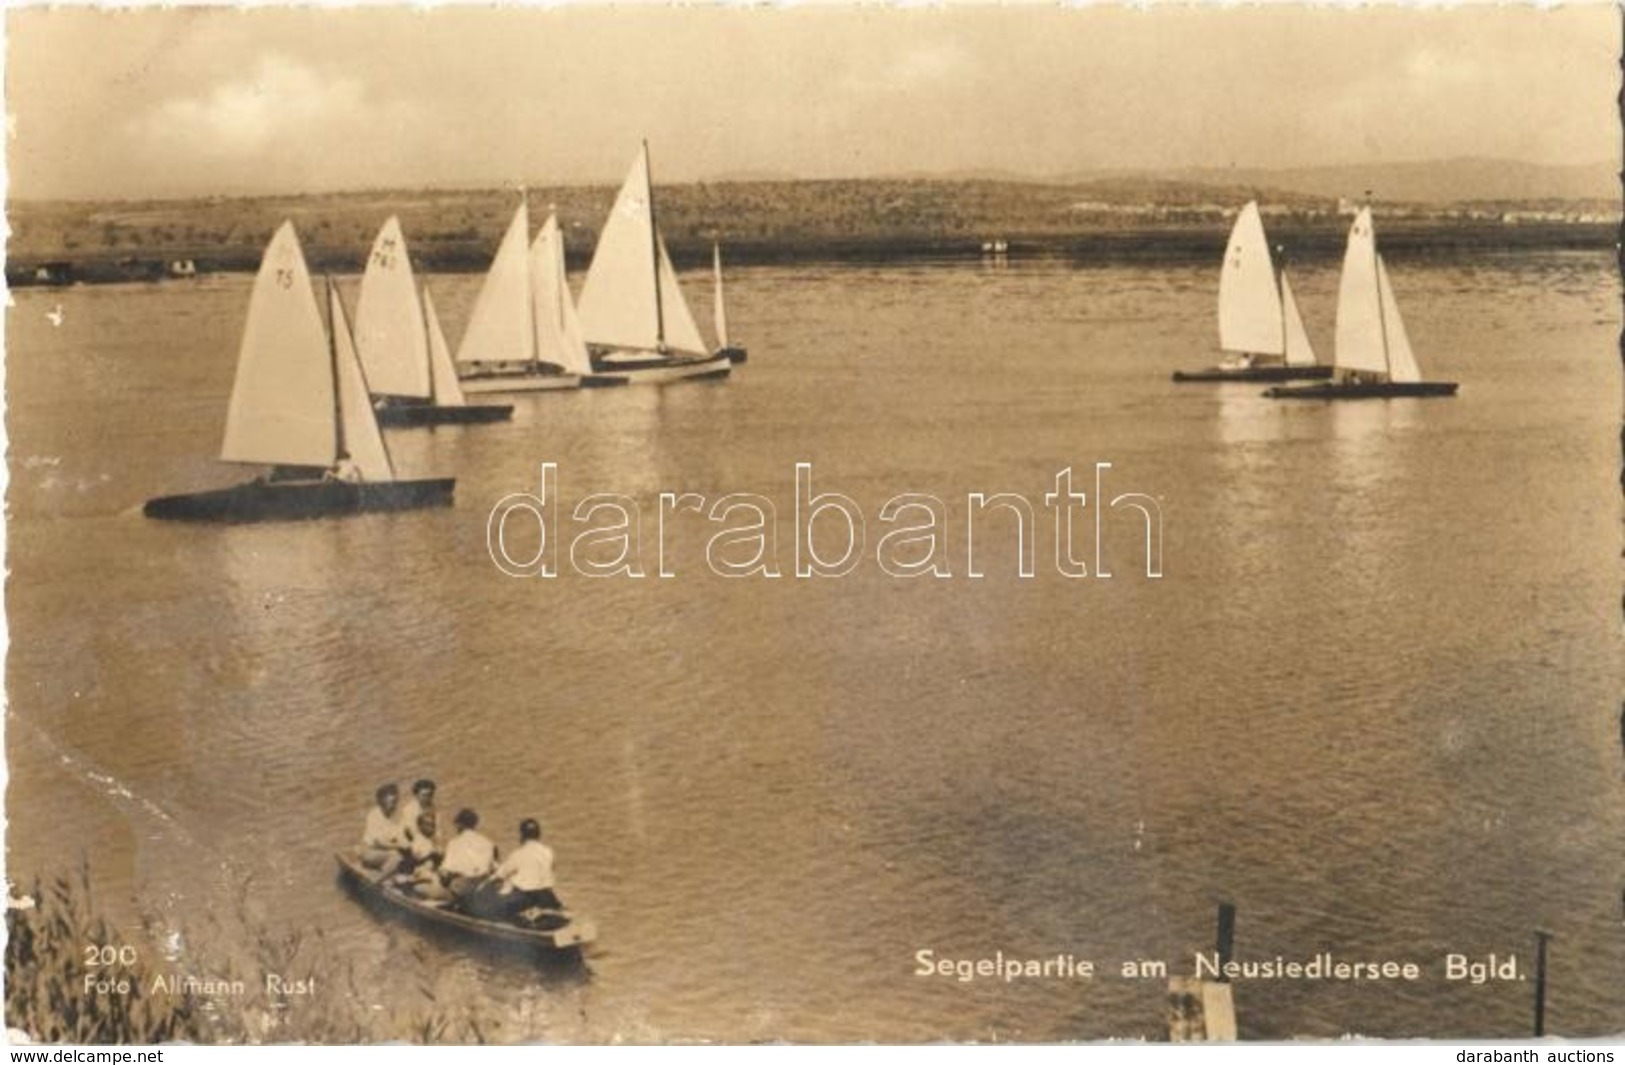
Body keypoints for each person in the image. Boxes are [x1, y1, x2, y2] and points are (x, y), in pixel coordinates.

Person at [470, 818, 563, 922]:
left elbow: (499, 875)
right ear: (538, 834)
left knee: (493, 908)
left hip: (526, 897)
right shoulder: (548, 852)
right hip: (547, 896)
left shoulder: (518, 854)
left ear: (522, 836)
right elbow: (551, 871)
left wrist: (482, 886)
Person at [434, 808, 497, 905]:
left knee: (428, 886)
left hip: (463, 888)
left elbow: (446, 871)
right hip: (483, 887)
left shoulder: (454, 843)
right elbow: (494, 868)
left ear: (459, 825)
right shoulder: (488, 843)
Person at [360, 783, 408, 874]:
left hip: (387, 851)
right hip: (370, 851)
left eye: (396, 802)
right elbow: (378, 843)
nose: (394, 805)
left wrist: (407, 845)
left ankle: (391, 872)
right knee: (396, 856)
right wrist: (399, 846)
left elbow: (400, 836)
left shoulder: (397, 816)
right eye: (391, 802)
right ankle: (377, 879)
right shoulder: (374, 815)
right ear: (381, 801)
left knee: (408, 855)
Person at [398, 779, 437, 850]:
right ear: (416, 795)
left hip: (426, 841)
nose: (427, 798)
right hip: (410, 843)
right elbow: (414, 833)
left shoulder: (433, 807)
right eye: (424, 795)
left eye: (430, 795)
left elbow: (438, 830)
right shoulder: (409, 810)